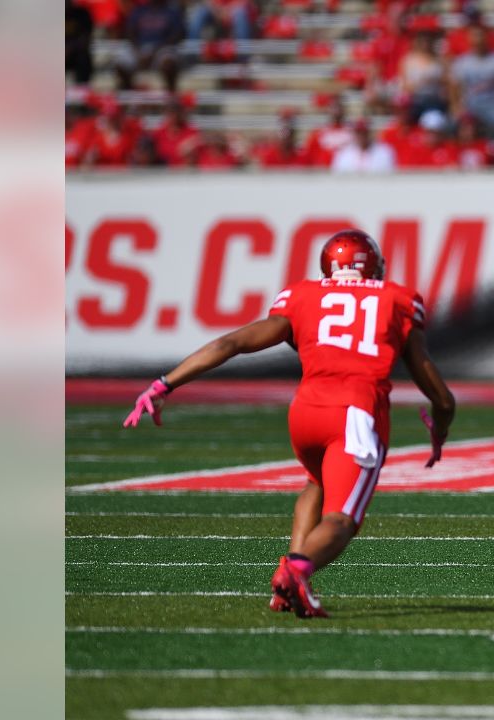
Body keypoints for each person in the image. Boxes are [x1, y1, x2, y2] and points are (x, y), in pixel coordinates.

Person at [123, 230, 456, 618]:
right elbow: (432, 383)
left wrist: (165, 384)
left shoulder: (301, 295)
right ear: (373, 266)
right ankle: (296, 572)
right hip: (355, 414)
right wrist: (442, 423)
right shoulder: (398, 298)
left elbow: (230, 344)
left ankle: (290, 588)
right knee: (343, 519)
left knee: (316, 482)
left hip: (305, 415)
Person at [450, 26, 494, 140]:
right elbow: (453, 85)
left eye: (480, 36)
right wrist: (455, 105)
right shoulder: (463, 62)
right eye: (474, 37)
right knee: (451, 124)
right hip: (470, 106)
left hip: (493, 106)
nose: (477, 41)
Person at [115, 0, 185, 93]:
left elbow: (178, 35)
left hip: (163, 47)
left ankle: (170, 93)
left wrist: (155, 51)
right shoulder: (139, 10)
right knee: (121, 62)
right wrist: (138, 51)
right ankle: (128, 90)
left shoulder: (172, 12)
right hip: (139, 47)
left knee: (169, 63)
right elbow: (129, 32)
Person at [331, 119, 396, 173]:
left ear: (369, 132)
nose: (361, 136)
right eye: (358, 132)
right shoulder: (344, 153)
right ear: (354, 133)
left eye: (364, 132)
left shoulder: (384, 151)